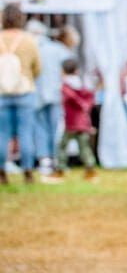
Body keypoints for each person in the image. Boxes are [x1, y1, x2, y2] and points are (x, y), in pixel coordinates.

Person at [0, 3, 41, 185]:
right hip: (25, 90)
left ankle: (2, 171)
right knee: (26, 132)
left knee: (3, 133)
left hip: (2, 92)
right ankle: (28, 170)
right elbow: (38, 67)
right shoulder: (28, 40)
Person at [25, 19, 70, 175]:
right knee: (55, 127)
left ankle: (44, 159)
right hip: (55, 92)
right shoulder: (57, 48)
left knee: (40, 127)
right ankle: (56, 158)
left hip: (35, 93)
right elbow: (70, 64)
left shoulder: (29, 48)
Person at [52, 58, 98, 180]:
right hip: (83, 122)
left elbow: (71, 98)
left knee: (62, 146)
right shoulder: (82, 84)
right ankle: (90, 169)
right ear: (76, 71)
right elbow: (90, 97)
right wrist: (85, 106)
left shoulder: (65, 86)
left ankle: (60, 169)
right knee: (84, 147)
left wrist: (81, 104)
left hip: (71, 123)